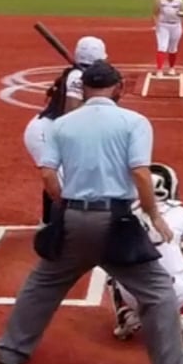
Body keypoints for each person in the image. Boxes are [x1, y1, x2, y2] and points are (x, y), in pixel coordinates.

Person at [0, 60, 183, 364]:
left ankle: (11, 350)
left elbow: (48, 175)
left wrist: (66, 206)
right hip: (117, 223)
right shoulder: (134, 122)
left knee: (42, 285)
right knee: (158, 292)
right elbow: (140, 173)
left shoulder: (61, 125)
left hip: (74, 220)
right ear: (118, 87)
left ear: (84, 88)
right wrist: (153, 214)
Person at [108, 162, 183, 342]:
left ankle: (126, 316)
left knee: (113, 268)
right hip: (173, 293)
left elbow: (118, 250)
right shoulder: (182, 213)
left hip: (135, 293)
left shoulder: (127, 213)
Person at [22, 35, 109, 223]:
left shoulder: (83, 77)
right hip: (46, 133)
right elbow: (72, 113)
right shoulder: (77, 77)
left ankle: (49, 223)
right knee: (63, 183)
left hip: (55, 131)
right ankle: (54, 227)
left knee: (63, 179)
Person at [154, 0, 183, 75]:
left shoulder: (180, 1)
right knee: (162, 47)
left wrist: (180, 13)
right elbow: (155, 13)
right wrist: (157, 25)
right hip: (163, 25)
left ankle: (172, 68)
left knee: (173, 48)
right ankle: (159, 70)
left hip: (176, 26)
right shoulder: (160, 1)